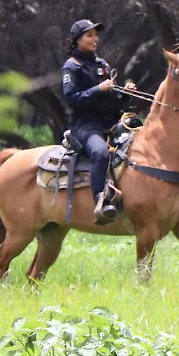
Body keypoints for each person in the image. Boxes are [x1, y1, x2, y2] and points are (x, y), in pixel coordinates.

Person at [61, 19, 133, 224]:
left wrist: (124, 94)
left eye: (96, 35)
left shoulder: (102, 65)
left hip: (108, 123)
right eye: (89, 35)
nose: (95, 39)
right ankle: (100, 202)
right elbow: (71, 99)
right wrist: (98, 89)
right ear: (77, 40)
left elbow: (111, 99)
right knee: (100, 153)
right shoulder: (71, 67)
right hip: (85, 126)